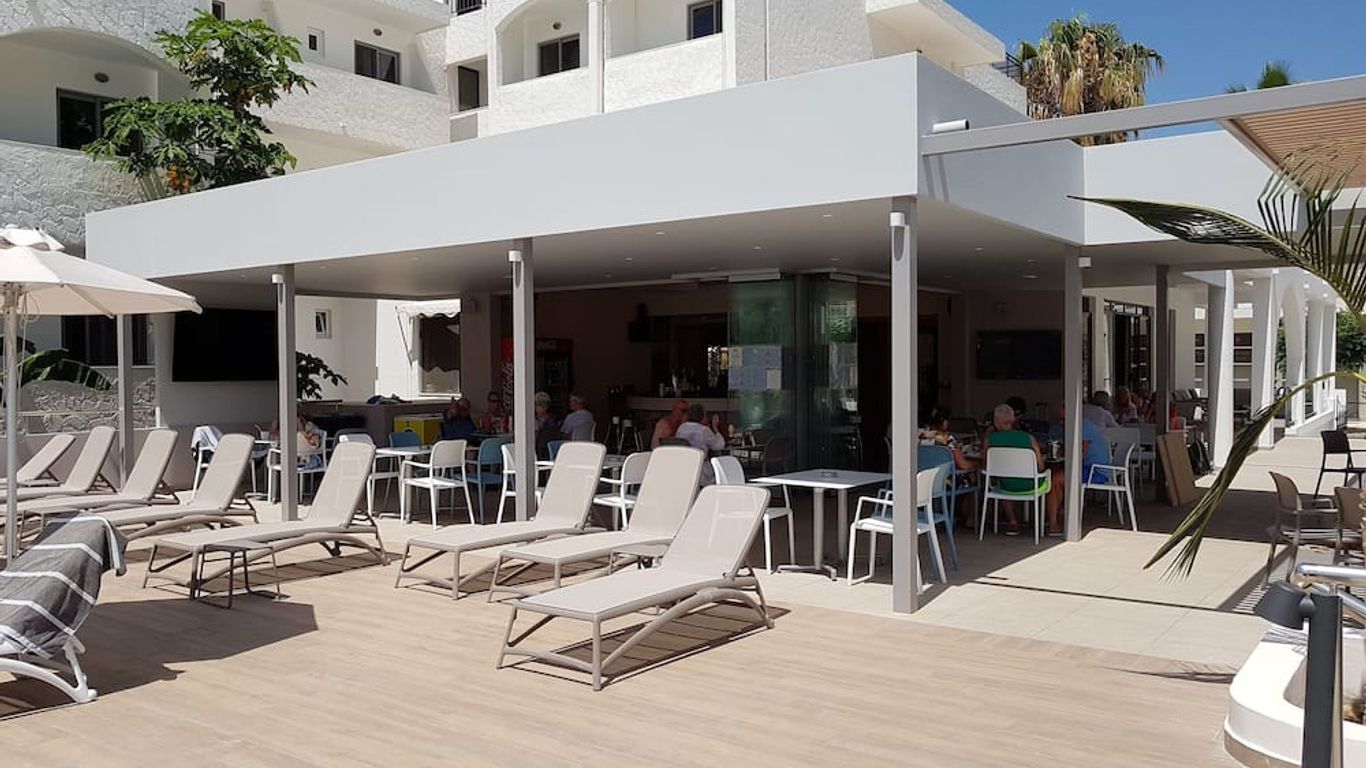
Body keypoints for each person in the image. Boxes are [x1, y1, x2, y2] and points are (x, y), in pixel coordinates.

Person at [1045, 405, 1110, 536]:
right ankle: (1056, 514)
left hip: (1096, 471)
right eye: (1059, 419)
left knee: (1055, 479)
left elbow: (1080, 453)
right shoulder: (1079, 425)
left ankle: (1053, 523)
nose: (1061, 423)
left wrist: (1061, 454)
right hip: (1087, 467)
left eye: (1064, 419)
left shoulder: (1084, 427)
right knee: (1056, 476)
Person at [984, 403, 1044, 535]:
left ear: (995, 422)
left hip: (1007, 486)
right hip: (1031, 485)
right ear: (1013, 420)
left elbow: (986, 465)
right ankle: (1046, 521)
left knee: (1002, 480)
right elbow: (1040, 466)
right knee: (1051, 477)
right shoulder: (1029, 438)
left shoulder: (990, 439)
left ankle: (1013, 522)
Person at [675, 403, 726, 484]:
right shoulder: (703, 430)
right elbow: (719, 445)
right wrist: (715, 428)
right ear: (702, 416)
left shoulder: (681, 428)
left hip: (684, 469)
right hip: (701, 472)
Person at [533, 391, 559, 458]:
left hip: (548, 448)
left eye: (543, 405)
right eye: (538, 404)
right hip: (538, 448)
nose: (541, 407)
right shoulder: (533, 420)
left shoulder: (553, 420)